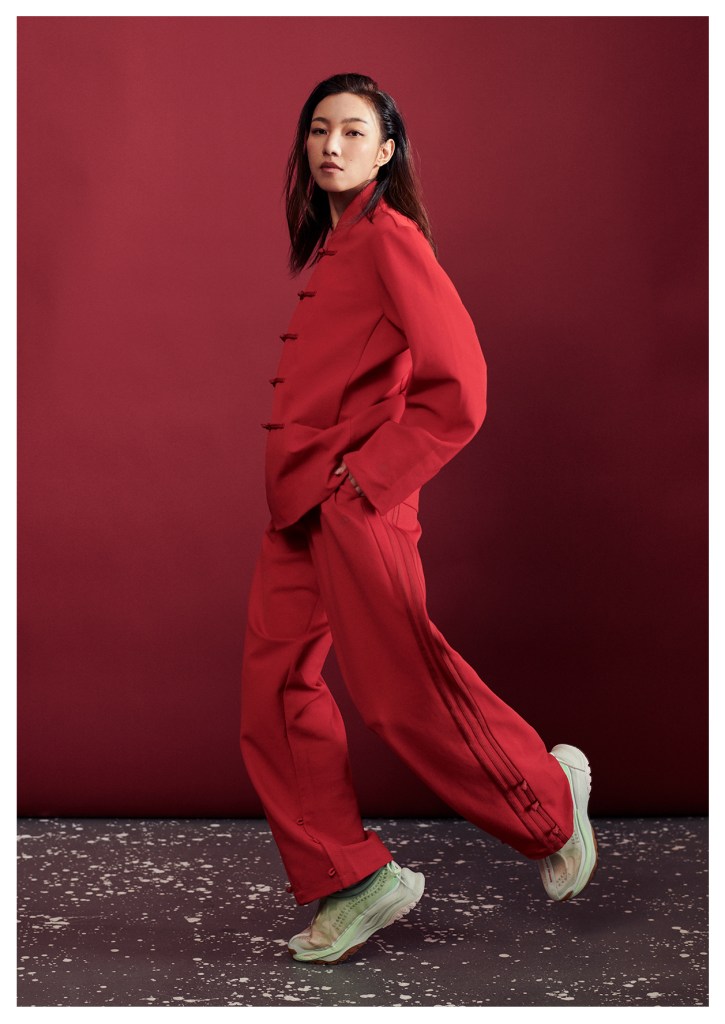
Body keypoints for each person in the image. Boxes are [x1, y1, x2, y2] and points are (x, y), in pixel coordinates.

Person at [239, 73, 598, 966]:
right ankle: (351, 879)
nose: (330, 146)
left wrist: (368, 480)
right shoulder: (336, 246)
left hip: (355, 501)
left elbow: (460, 388)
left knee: (400, 690)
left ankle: (548, 802)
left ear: (386, 151)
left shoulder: (390, 238)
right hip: (297, 508)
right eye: (318, 130)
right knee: (272, 696)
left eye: (353, 132)